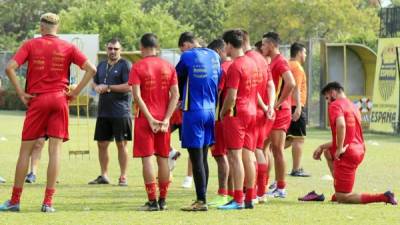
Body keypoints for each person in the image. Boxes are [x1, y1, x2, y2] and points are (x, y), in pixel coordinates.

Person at [1, 12, 96, 212]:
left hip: (37, 99)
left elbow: (10, 68)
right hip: (60, 99)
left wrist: (20, 93)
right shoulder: (68, 47)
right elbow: (92, 69)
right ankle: (48, 203)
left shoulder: (30, 44)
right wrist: (75, 93)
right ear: (57, 27)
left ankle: (15, 201)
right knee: (55, 152)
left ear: (41, 27)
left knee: (25, 151)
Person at [312, 82, 397, 205]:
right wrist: (322, 146)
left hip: (347, 154)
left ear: (332, 93)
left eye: (327, 98)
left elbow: (341, 125)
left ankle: (384, 197)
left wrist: (340, 148)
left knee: (343, 198)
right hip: (359, 150)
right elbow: (348, 136)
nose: (328, 102)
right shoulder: (353, 106)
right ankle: (340, 187)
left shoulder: (335, 105)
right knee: (328, 153)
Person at [129, 33, 179, 211]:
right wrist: (166, 119)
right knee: (163, 159)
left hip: (145, 119)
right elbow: (176, 95)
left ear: (142, 47)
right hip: (164, 119)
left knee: (147, 159)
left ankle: (152, 201)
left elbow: (136, 96)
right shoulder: (168, 66)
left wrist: (150, 119)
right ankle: (163, 200)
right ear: (157, 47)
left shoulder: (137, 67)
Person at [177, 32, 221, 211]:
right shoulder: (214, 55)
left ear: (186, 45)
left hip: (193, 111)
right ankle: (203, 198)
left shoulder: (187, 56)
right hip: (211, 110)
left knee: (196, 159)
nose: (182, 52)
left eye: (181, 49)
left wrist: (180, 97)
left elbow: (176, 77)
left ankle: (201, 201)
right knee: (203, 157)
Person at [218, 29, 258, 210]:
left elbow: (232, 96)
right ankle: (250, 197)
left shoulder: (235, 66)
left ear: (229, 44)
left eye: (224, 45)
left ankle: (238, 199)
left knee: (234, 157)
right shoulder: (252, 62)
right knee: (248, 156)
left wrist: (222, 111)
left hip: (236, 114)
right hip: (252, 113)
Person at [88, 38, 131, 186]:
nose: (112, 51)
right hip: (103, 112)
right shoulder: (101, 65)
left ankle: (123, 176)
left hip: (120, 112)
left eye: (116, 49)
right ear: (106, 49)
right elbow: (93, 80)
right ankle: (104, 175)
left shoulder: (125, 65)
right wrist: (95, 86)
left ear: (121, 50)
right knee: (102, 144)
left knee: (121, 144)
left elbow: (129, 86)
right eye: (110, 48)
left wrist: (108, 87)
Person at [242, 30, 276, 203]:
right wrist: (270, 106)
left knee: (249, 152)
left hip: (251, 111)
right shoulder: (262, 60)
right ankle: (261, 192)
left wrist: (264, 105)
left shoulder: (246, 61)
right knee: (260, 150)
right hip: (264, 113)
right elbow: (270, 85)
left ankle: (251, 192)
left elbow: (251, 88)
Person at [261, 32, 295, 198]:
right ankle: (264, 184)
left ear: (272, 45)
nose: (262, 48)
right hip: (272, 112)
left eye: (264, 45)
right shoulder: (271, 61)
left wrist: (278, 103)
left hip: (280, 112)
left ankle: (281, 188)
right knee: (263, 147)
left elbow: (291, 83)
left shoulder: (281, 61)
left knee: (277, 149)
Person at [207, 38, 233, 207]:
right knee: (234, 156)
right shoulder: (237, 64)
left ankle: (223, 193)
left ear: (217, 52)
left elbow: (217, 92)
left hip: (221, 118)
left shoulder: (222, 68)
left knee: (220, 155)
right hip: (238, 116)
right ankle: (232, 193)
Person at [285, 42, 310, 177]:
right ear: (300, 53)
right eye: (305, 53)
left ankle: (266, 152)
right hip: (295, 105)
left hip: (288, 105)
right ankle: (296, 169)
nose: (305, 55)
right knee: (299, 139)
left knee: (288, 139)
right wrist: (299, 107)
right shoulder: (298, 68)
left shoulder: (288, 65)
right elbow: (296, 88)